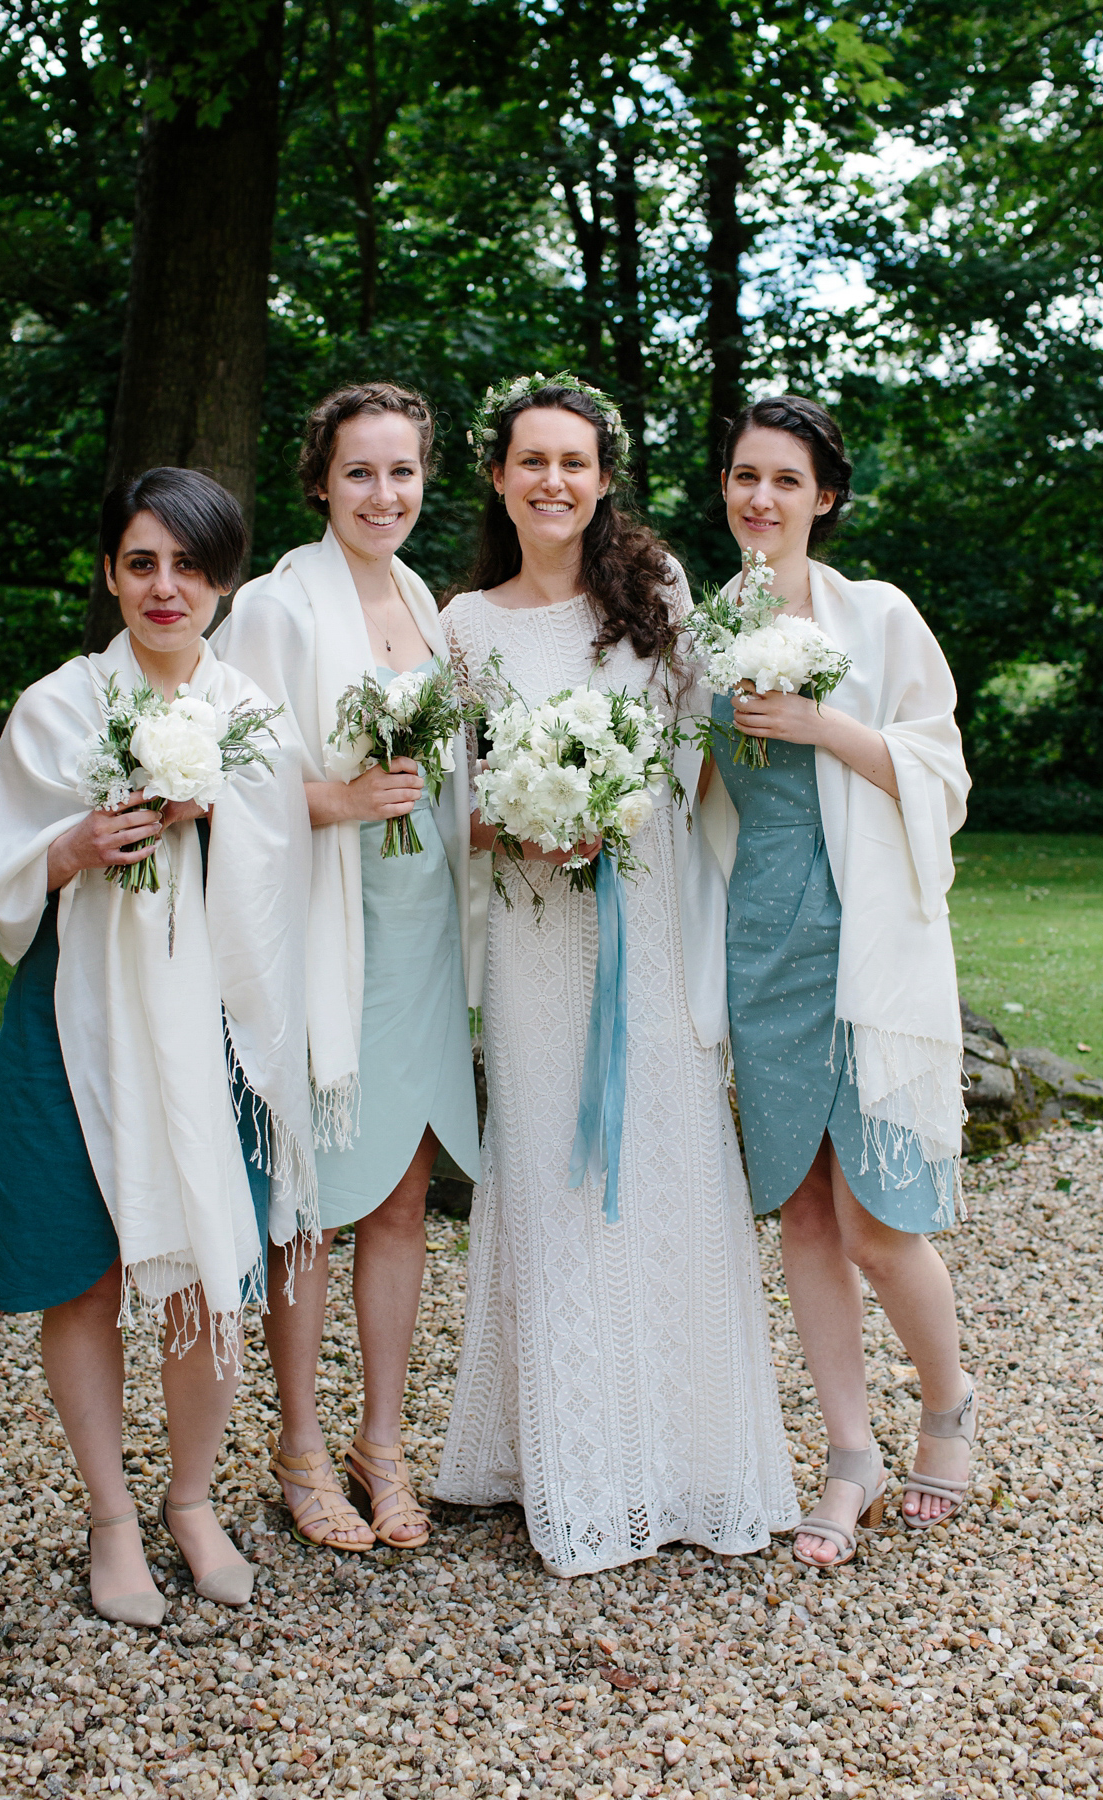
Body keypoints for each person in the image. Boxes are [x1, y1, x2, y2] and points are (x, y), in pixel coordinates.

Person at [434, 372, 798, 1577]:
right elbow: (450, 803)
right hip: (534, 937)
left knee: (668, 1160)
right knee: (549, 1169)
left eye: (574, 463)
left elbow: (699, 743)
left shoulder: (656, 595)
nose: (553, 481)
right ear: (497, 477)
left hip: (646, 917)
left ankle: (688, 1461)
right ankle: (574, 1465)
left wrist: (618, 816)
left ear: (603, 479)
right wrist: (526, 819)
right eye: (530, 461)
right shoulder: (467, 626)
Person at [0, 467, 316, 1625]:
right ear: (111, 573)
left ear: (224, 579)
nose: (165, 588)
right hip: (76, 1014)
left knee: (213, 1260)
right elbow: (11, 871)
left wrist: (216, 812)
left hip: (214, 1025)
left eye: (189, 565)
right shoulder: (60, 707)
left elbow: (285, 874)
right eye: (141, 562)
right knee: (81, 1268)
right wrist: (74, 844)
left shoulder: (254, 713)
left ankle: (191, 1500)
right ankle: (112, 1517)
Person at [702, 394, 976, 1569]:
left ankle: (951, 1405)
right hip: (758, 938)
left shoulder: (880, 616)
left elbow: (940, 768)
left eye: (785, 481)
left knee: (877, 1217)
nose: (761, 499)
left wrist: (822, 726)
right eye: (744, 477)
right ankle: (850, 1450)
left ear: (825, 498)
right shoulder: (703, 628)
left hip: (860, 929)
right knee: (804, 1209)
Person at [213, 383, 480, 1553]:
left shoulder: (427, 598)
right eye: (361, 473)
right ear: (320, 480)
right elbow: (224, 775)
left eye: (404, 473)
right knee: (311, 1202)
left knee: (405, 1194)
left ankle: (383, 1439)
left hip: (423, 931)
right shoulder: (276, 606)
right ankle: (302, 1448)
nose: (385, 495)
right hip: (330, 928)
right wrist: (336, 799)